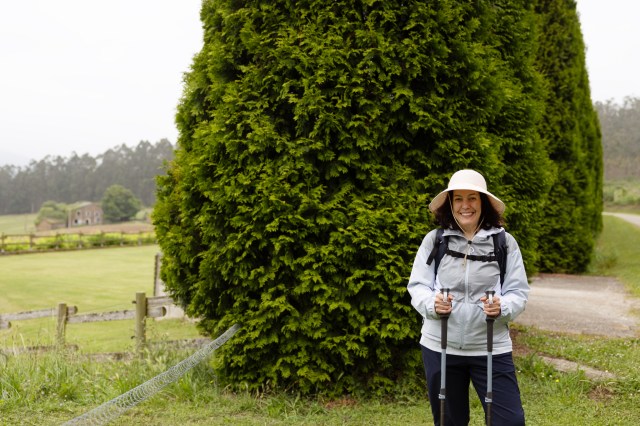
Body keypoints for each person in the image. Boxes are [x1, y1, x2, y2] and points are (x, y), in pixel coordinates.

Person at [407, 169, 528, 425]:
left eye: (472, 198)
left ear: (483, 202)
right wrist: (432, 304)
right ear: (450, 204)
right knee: (449, 421)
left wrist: (502, 307)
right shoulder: (435, 241)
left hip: (491, 347)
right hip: (440, 346)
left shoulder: (504, 243)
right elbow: (418, 286)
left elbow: (518, 292)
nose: (466, 205)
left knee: (510, 421)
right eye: (458, 198)